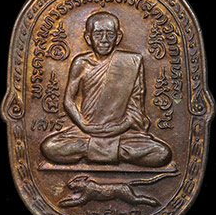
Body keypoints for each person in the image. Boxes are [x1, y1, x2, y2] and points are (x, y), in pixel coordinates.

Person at [41, 11, 171, 167]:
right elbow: (68, 100)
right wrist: (83, 125)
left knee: (162, 153)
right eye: (98, 34)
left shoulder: (131, 62)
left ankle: (94, 150)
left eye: (110, 34)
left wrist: (118, 128)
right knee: (49, 147)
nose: (104, 40)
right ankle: (113, 152)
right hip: (85, 131)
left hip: (121, 133)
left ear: (118, 37)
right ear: (88, 38)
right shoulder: (81, 63)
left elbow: (135, 109)